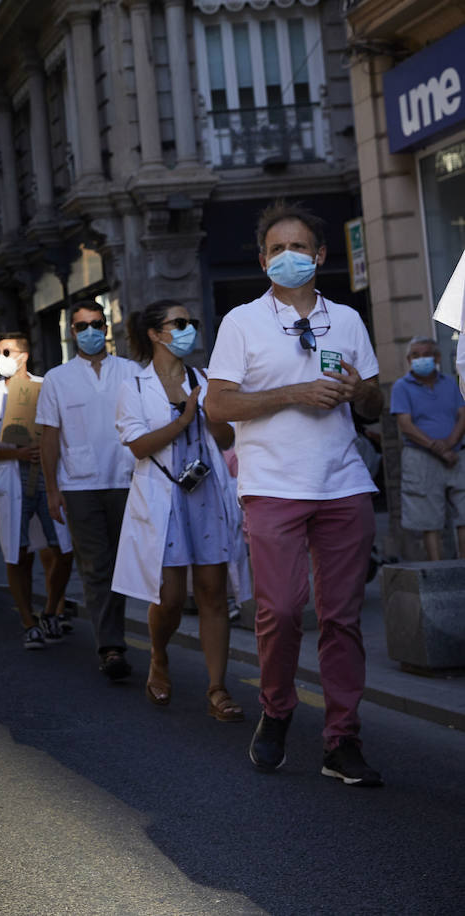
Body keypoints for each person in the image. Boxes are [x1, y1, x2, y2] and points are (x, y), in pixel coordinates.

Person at [205, 200, 383, 786]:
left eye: (298, 247)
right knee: (280, 610)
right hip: (273, 486)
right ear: (262, 261)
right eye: (277, 249)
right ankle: (277, 710)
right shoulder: (241, 322)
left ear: (320, 255)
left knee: (342, 618)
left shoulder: (348, 320)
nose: (289, 257)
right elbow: (219, 406)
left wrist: (358, 392)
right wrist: (294, 393)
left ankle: (341, 741)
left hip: (343, 484)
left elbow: (376, 404)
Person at [112, 301, 244, 721]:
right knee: (168, 597)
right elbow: (138, 446)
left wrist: (213, 412)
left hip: (205, 496)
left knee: (212, 593)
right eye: (180, 324)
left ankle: (217, 688)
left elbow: (224, 440)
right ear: (155, 333)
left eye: (193, 323)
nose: (189, 330)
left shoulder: (205, 379)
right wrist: (186, 418)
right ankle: (158, 655)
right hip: (163, 498)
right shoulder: (134, 386)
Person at [38, 302, 139, 680]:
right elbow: (49, 436)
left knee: (125, 565)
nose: (91, 331)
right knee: (97, 566)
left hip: (126, 480)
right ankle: (111, 646)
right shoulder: (57, 379)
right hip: (79, 485)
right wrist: (51, 489)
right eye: (82, 326)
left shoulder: (131, 372)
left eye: (97, 324)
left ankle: (126, 636)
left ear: (107, 328)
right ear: (72, 333)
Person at [0, 333, 76, 650]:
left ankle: (50, 610)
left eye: (7, 351)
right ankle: (28, 621)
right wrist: (16, 453)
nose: (1, 357)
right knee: (18, 555)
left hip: (48, 479)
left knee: (63, 549)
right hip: (12, 482)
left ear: (23, 356)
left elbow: (66, 430)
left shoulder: (47, 387)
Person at [390, 336, 465, 561]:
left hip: (456, 455)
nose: (421, 359)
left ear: (437, 357)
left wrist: (450, 444)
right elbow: (406, 425)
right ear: (408, 359)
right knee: (428, 520)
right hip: (421, 457)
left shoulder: (450, 383)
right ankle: (437, 573)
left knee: (464, 514)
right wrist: (439, 449)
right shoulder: (401, 387)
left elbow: (463, 416)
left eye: (426, 355)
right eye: (415, 356)